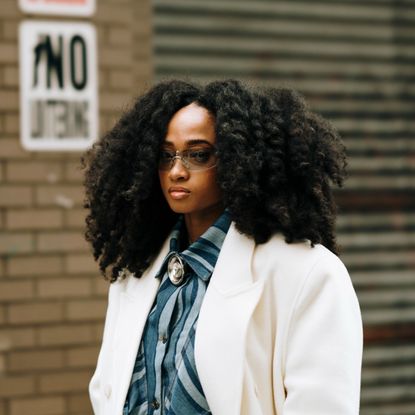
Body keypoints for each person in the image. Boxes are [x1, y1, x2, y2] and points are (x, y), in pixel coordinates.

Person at [83, 79, 363, 415]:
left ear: (238, 158)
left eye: (198, 154)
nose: (176, 171)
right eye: (165, 155)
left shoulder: (309, 274)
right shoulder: (136, 272)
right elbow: (107, 393)